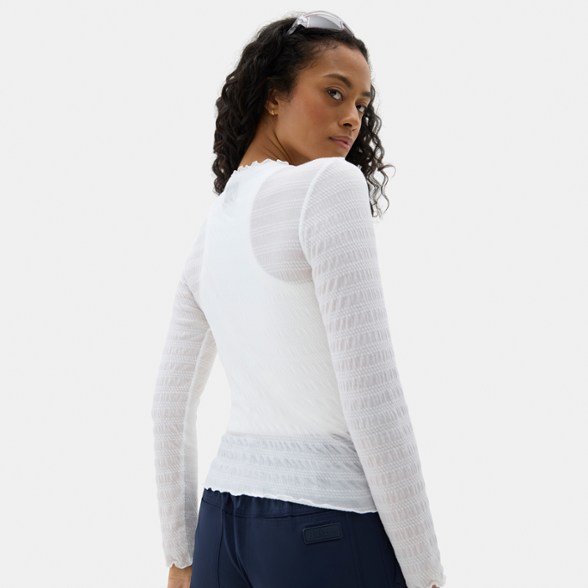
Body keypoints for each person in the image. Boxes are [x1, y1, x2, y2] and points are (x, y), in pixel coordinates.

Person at [151, 10, 446, 588]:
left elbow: (169, 404)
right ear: (273, 96)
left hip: (221, 530)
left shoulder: (213, 229)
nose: (352, 116)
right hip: (325, 527)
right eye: (334, 92)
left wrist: (181, 555)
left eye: (361, 103)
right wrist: (426, 573)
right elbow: (373, 397)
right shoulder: (328, 185)